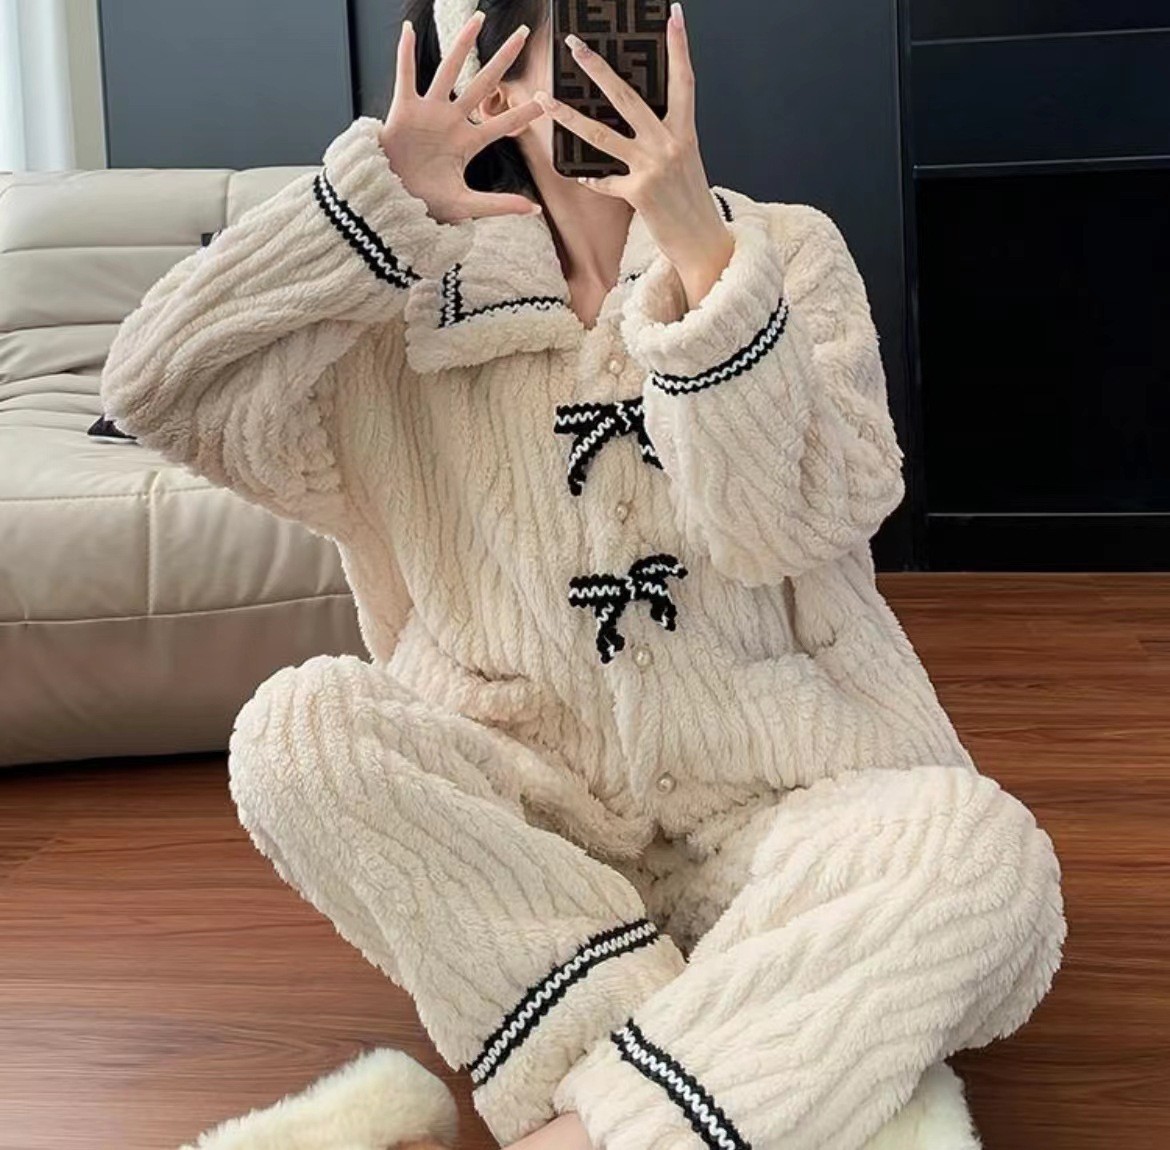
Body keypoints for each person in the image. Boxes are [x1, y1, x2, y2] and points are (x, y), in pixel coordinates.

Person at [100, 2, 1067, 1149]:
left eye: (629, 24)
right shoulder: (402, 300)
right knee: (295, 732)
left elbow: (798, 525)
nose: (608, 66)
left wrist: (703, 262)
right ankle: (724, 1069)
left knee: (982, 856)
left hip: (785, 808)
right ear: (496, 81)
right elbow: (155, 386)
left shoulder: (784, 250)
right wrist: (371, 204)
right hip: (534, 821)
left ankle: (590, 1118)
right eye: (566, 39)